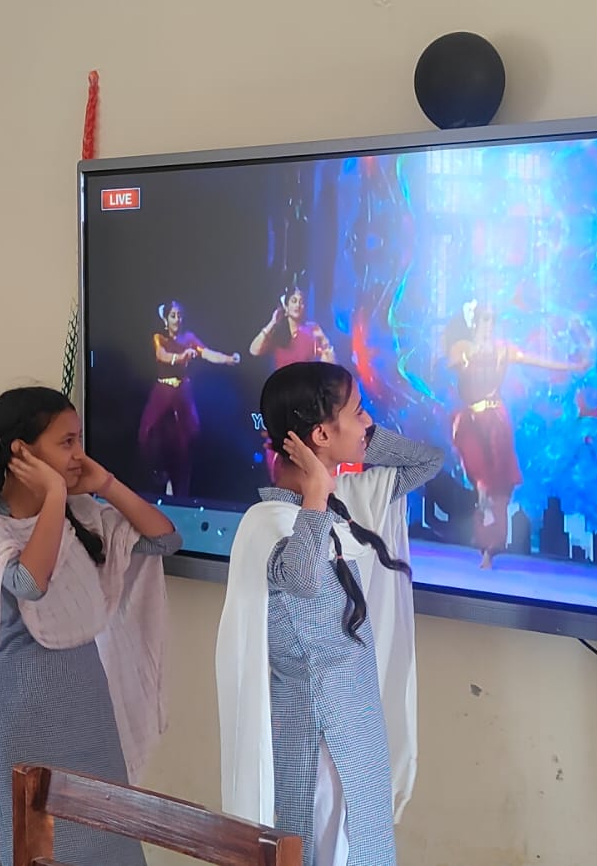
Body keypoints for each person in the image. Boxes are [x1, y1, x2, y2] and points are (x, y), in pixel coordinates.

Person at [0, 387, 177, 865]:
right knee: (37, 843)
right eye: (67, 442)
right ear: (22, 452)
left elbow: (164, 540)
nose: (79, 454)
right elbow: (30, 583)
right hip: (21, 712)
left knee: (108, 838)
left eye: (79, 440)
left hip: (86, 707)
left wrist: (107, 484)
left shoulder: (84, 516)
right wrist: (56, 493)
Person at [216, 363, 444, 866]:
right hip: (314, 742)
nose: (368, 422)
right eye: (358, 412)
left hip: (357, 729)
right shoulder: (269, 523)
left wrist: (359, 442)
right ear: (321, 434)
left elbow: (427, 461)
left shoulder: (343, 504)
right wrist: (317, 492)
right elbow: (300, 577)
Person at [443, 301, 587, 569]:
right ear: (474, 323)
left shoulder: (503, 350)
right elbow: (452, 362)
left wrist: (572, 366)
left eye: (492, 320)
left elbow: (536, 360)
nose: (489, 326)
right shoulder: (463, 348)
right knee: (481, 479)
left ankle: (490, 547)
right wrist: (467, 358)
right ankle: (483, 507)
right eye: (484, 320)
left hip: (496, 419)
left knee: (499, 485)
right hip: (470, 420)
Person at [138, 300, 241, 496]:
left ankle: (181, 484)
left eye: (179, 316)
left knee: (189, 436)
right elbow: (162, 355)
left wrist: (228, 359)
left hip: (182, 391)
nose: (177, 319)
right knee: (149, 431)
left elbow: (207, 353)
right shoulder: (159, 338)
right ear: (166, 320)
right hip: (163, 391)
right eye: (173, 316)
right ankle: (158, 473)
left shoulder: (189, 338)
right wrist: (181, 357)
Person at [248, 287, 336, 369]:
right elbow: (254, 351)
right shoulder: (278, 332)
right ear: (286, 307)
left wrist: (325, 342)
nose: (298, 305)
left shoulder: (312, 328)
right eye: (294, 301)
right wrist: (272, 323)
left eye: (301, 302)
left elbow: (329, 362)